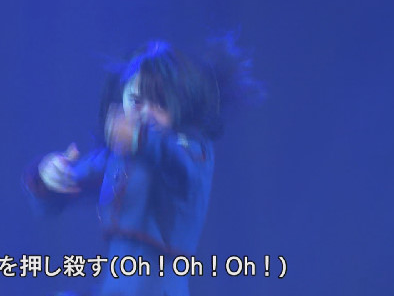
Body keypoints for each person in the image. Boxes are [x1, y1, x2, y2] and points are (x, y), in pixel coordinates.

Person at [22, 34, 264, 296]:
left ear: (179, 106)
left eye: (159, 103)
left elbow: (177, 162)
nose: (144, 113)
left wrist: (141, 139)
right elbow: (64, 189)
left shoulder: (193, 151)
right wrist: (50, 175)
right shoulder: (117, 158)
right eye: (136, 101)